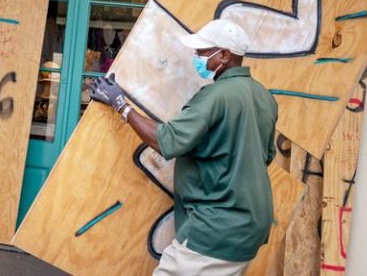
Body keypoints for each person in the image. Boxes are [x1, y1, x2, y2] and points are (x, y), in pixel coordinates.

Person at [91, 19, 278, 276]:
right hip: (250, 226)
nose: (197, 57)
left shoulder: (215, 96)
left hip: (217, 228)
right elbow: (265, 156)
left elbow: (165, 140)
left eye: (202, 52)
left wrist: (121, 104)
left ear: (224, 55)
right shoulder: (264, 97)